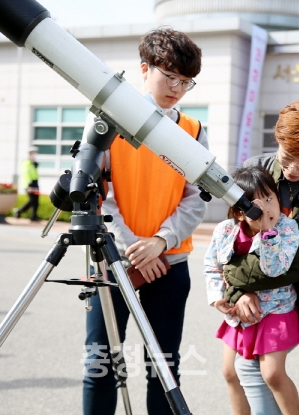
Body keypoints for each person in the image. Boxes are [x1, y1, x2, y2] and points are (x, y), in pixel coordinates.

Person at [81, 27, 207, 415]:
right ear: (144, 68)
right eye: (169, 76)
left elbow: (197, 199)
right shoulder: (107, 119)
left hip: (170, 262)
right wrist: (135, 249)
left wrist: (160, 242)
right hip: (111, 260)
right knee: (100, 365)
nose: (177, 88)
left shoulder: (193, 130)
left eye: (185, 81)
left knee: (164, 368)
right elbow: (95, 193)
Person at [221, 97, 299, 414]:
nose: (293, 170)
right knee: (231, 372)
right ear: (278, 139)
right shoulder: (256, 169)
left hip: (297, 292)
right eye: (288, 157)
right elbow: (232, 238)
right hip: (250, 291)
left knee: (267, 373)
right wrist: (239, 291)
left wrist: (235, 281)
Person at [205, 165, 299, 415]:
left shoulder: (287, 228)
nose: (267, 208)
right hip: (239, 313)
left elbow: (275, 269)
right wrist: (218, 298)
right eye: (256, 204)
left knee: (273, 373)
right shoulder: (225, 230)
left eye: (270, 198)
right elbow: (213, 267)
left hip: (276, 309)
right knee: (229, 372)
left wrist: (268, 232)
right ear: (239, 212)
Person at [13, 146, 40, 221]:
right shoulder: (26, 163)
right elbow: (26, 175)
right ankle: (19, 211)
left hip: (35, 183)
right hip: (29, 184)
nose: (35, 155)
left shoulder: (33, 164)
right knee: (32, 200)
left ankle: (33, 216)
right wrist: (29, 186)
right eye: (33, 153)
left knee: (36, 201)